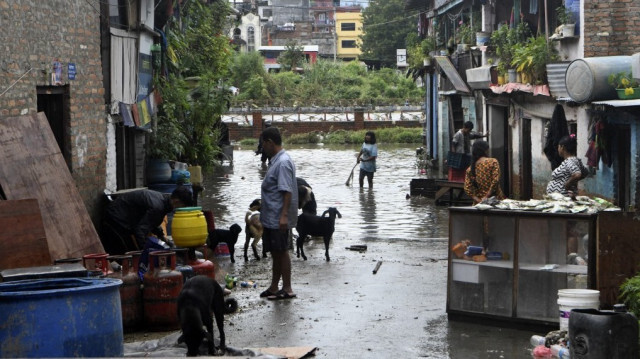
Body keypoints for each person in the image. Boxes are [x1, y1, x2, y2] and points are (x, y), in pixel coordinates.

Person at [259, 127, 298, 300]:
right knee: (275, 252)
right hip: (271, 216)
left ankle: (287, 288)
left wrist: (283, 216)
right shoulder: (276, 160)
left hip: (278, 216)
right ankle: (274, 287)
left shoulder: (283, 162)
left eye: (263, 144)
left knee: (282, 251)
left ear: (270, 143)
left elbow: (287, 191)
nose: (262, 148)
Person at [101, 186, 193, 255]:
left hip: (122, 216)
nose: (180, 209)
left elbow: (151, 221)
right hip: (115, 218)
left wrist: (163, 238)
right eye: (182, 206)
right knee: (129, 254)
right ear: (176, 201)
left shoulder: (163, 201)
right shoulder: (158, 207)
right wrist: (145, 251)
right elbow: (140, 231)